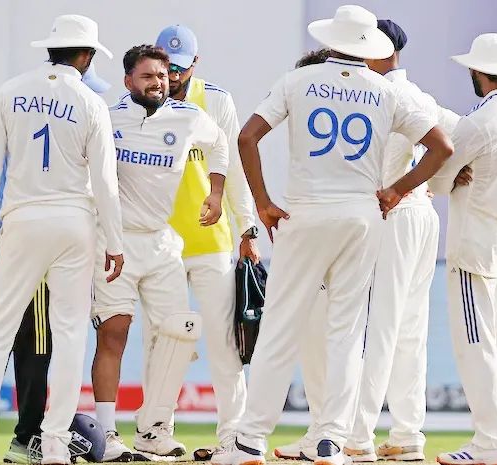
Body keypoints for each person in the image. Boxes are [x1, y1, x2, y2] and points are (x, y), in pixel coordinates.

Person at [210, 5, 454, 465]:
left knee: (281, 327)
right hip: (362, 216)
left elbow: (246, 138)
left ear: (330, 41)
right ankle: (331, 440)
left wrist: (262, 202)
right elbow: (443, 146)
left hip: (306, 211)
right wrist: (398, 190)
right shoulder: (385, 90)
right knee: (346, 331)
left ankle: (248, 441)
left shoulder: (296, 81)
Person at [0, 14, 124, 464]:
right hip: (74, 222)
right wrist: (114, 241)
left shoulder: (11, 90)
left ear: (52, 49)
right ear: (87, 55)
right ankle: (55, 443)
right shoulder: (90, 102)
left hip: (21, 219)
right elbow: (104, 181)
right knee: (70, 335)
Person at [89, 44, 229, 461]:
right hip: (115, 240)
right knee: (114, 334)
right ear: (129, 80)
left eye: (163, 77)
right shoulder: (107, 117)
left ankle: (154, 430)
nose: (158, 83)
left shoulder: (187, 118)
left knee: (179, 331)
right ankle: (106, 433)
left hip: (161, 240)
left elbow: (221, 142)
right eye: (148, 76)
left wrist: (217, 191)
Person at [344, 19, 460, 462]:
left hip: (396, 213)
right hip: (422, 215)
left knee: (383, 326)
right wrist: (442, 178)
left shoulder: (387, 92)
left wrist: (401, 185)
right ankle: (408, 434)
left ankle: (359, 435)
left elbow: (446, 147)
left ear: (378, 50)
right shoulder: (420, 95)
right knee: (409, 330)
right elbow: (458, 139)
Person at [425, 33, 497, 465]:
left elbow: (437, 177)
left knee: (475, 347)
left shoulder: (480, 120)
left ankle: (490, 443)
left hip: (474, 246)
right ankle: (494, 438)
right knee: (492, 345)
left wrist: (448, 178)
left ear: (478, 70)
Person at [151, 24, 259, 459]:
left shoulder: (215, 99)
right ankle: (157, 430)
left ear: (194, 64)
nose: (171, 76)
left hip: (211, 240)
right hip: (160, 244)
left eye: (179, 68)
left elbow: (233, 169)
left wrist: (247, 228)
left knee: (223, 343)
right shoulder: (142, 98)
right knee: (165, 341)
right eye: (165, 66)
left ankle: (232, 435)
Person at [270, 48, 331, 463]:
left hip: (323, 231)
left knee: (326, 338)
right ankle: (323, 433)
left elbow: (445, 138)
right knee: (317, 340)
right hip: (335, 229)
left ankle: (335, 434)